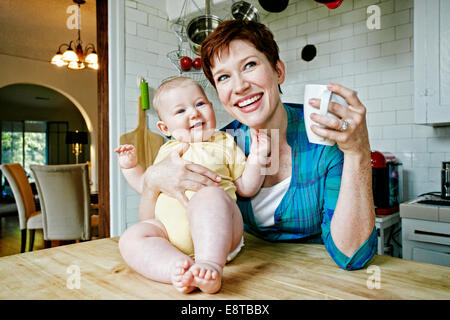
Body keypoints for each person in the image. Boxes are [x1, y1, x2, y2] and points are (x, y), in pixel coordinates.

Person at [138, 19, 378, 272]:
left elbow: (352, 255)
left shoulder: (324, 140)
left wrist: (357, 152)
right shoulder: (214, 146)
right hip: (242, 275)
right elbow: (166, 227)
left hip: (317, 279)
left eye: (250, 65)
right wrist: (152, 178)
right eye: (223, 77)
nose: (240, 86)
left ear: (278, 71)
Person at [116, 76, 271, 294]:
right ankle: (177, 269)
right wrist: (130, 167)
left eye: (200, 104)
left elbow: (246, 186)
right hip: (168, 236)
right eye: (180, 111)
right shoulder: (166, 151)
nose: (194, 113)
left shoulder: (224, 143)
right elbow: (146, 185)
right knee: (131, 237)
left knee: (210, 195)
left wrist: (258, 155)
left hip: (221, 236)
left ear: (211, 107)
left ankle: (209, 265)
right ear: (164, 127)